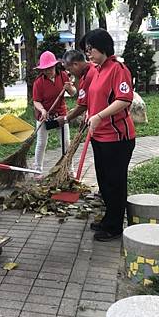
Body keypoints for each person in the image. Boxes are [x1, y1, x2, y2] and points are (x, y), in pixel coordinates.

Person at [82, 29, 136, 242]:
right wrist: (90, 115)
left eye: (91, 49)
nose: (88, 54)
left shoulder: (118, 69)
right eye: (87, 50)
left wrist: (100, 116)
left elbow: (124, 99)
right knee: (103, 181)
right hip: (99, 136)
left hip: (117, 138)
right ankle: (108, 219)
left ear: (103, 48)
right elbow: (93, 98)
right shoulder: (97, 70)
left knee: (115, 182)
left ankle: (115, 226)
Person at [32, 50, 76, 176]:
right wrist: (42, 110)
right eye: (44, 69)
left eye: (49, 68)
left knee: (66, 143)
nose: (47, 71)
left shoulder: (62, 76)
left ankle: (69, 170)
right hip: (44, 116)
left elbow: (73, 93)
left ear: (54, 66)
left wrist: (70, 88)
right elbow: (36, 101)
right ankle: (37, 170)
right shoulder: (38, 83)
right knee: (41, 143)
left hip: (61, 114)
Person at [60, 49, 98, 125]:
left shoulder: (89, 76)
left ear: (75, 64)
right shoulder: (92, 68)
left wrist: (65, 118)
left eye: (69, 70)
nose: (70, 73)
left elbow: (82, 106)